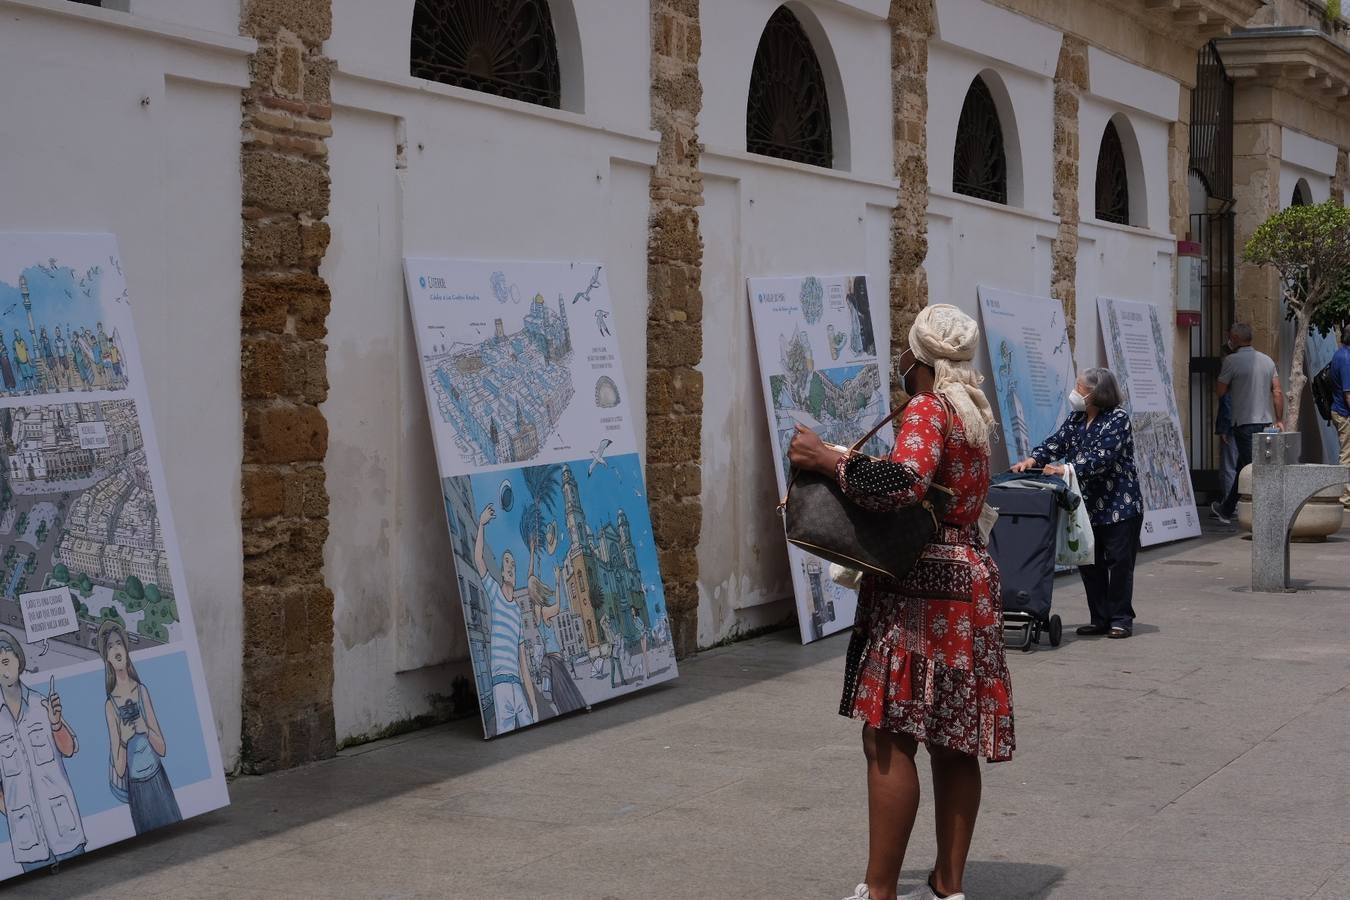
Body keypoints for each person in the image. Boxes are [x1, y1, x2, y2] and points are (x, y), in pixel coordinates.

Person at [789, 304, 1013, 900]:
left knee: (889, 734)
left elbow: (905, 483)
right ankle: (949, 882)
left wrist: (828, 459)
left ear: (917, 356)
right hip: (970, 580)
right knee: (954, 736)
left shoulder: (925, 408)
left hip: (921, 591)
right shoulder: (972, 414)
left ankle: (881, 888)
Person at [1012, 368, 1144, 639]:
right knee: (1089, 562)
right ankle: (1099, 618)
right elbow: (1056, 443)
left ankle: (1120, 618)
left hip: (1119, 504)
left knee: (1119, 563)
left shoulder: (1117, 419)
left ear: (1096, 393)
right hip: (1087, 505)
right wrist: (1033, 460)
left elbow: (1103, 457)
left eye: (1080, 388)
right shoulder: (1077, 418)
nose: (1075, 392)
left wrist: (1065, 469)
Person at [0, 629, 86, 872]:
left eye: (6, 661)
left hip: (63, 828)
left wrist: (56, 723)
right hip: (28, 840)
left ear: (19, 660)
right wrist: (13, 810)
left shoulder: (41, 705)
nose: (3, 670)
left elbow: (69, 750)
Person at [98, 620, 182, 834]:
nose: (116, 649)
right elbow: (118, 767)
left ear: (126, 649)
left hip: (157, 778)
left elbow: (162, 749)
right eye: (110, 646)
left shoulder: (142, 691)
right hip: (137, 788)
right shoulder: (111, 706)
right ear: (106, 657)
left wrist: (145, 728)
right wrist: (125, 741)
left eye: (119, 644)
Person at [474, 504, 537, 734]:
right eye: (507, 562)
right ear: (501, 571)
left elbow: (523, 663)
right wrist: (481, 524)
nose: (511, 566)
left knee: (530, 726)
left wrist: (533, 702)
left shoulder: (517, 613)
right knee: (507, 735)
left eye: (513, 564)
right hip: (500, 685)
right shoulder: (494, 593)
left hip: (517, 685)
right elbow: (479, 559)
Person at [1211, 323, 1283, 524]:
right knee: (1249, 465)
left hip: (1243, 423)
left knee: (1252, 468)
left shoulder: (1231, 361)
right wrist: (1280, 419)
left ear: (1234, 338)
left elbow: (1220, 391)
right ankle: (1226, 509)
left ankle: (1266, 510)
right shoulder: (1268, 361)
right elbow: (1277, 392)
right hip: (1266, 423)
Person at [1332, 325, 1350, 511]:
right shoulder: (1346, 359)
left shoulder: (1340, 354)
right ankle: (1345, 498)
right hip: (1345, 413)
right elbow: (1348, 394)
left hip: (1341, 410)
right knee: (1347, 455)